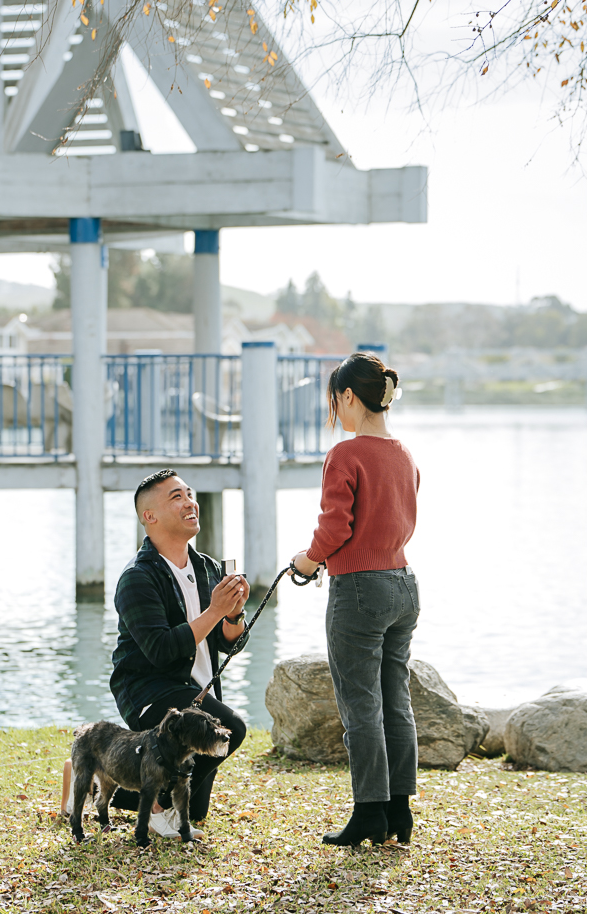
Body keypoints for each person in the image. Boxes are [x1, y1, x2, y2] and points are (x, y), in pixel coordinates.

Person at [62, 469, 250, 842]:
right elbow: (161, 651)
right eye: (176, 497)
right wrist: (213, 612)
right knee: (235, 729)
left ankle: (85, 782)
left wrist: (233, 614)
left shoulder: (207, 567)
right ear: (150, 516)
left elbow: (230, 643)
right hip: (149, 689)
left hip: (196, 691)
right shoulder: (137, 577)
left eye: (190, 494)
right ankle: (129, 795)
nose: (190, 502)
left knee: (193, 809)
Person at [291, 352, 420, 848]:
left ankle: (368, 812)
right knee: (396, 701)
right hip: (403, 582)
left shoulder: (346, 454)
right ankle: (398, 811)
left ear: (348, 396)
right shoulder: (405, 454)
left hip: (360, 590)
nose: (336, 413)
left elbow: (335, 526)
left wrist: (309, 560)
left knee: (360, 706)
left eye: (335, 402)